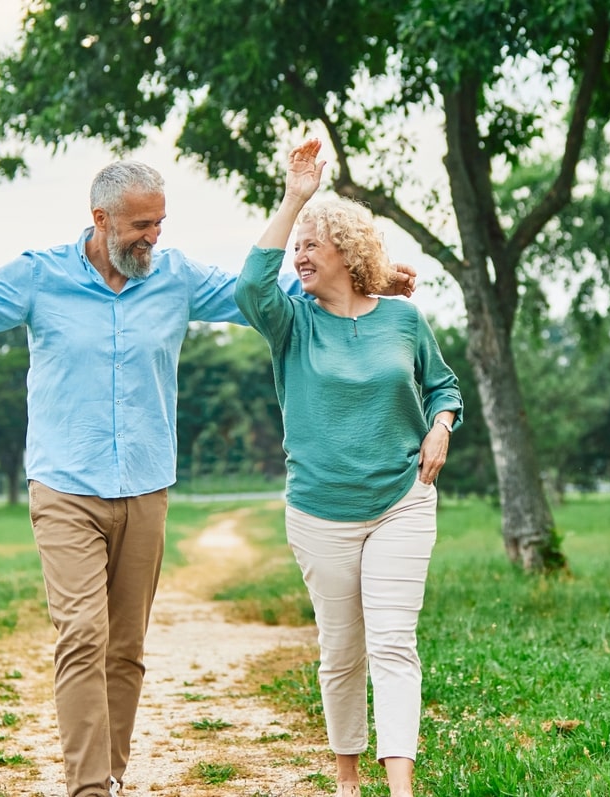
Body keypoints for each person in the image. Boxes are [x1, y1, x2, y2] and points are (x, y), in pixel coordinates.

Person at [0, 158, 417, 797]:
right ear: (101, 220)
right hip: (65, 485)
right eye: (141, 225)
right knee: (82, 636)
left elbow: (265, 297)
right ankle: (88, 788)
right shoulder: (41, 277)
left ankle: (110, 775)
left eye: (160, 223)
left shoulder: (176, 277)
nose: (154, 237)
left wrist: (365, 278)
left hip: (144, 486)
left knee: (125, 649)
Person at [234, 139, 463, 797]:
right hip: (319, 510)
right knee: (342, 651)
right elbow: (253, 283)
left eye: (312, 244)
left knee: (393, 643)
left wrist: (440, 426)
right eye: (295, 245)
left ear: (348, 250)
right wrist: (296, 198)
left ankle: (401, 788)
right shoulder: (290, 323)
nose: (298, 254)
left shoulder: (403, 319)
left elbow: (444, 386)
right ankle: (345, 779)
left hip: (402, 498)